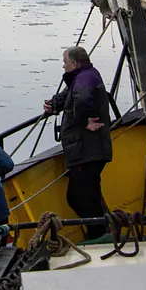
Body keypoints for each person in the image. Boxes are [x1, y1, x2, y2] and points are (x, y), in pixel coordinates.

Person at [44, 46, 112, 240]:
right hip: (84, 151)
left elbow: (81, 100)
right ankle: (98, 232)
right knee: (84, 195)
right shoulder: (83, 77)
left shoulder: (84, 79)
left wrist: (84, 121)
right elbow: (70, 96)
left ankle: (97, 235)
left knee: (80, 197)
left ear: (74, 63)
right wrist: (54, 105)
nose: (63, 65)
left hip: (86, 151)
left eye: (64, 61)